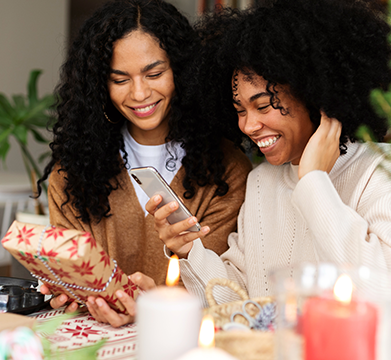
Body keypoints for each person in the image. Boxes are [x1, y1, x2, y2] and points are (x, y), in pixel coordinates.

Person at [147, 0, 391, 306]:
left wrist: (314, 182)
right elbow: (240, 298)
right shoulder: (263, 180)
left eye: (263, 106)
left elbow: (381, 292)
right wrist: (189, 250)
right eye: (239, 110)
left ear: (315, 94)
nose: (248, 125)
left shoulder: (381, 171)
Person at [37, 0, 252, 325]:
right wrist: (67, 291)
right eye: (120, 79)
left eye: (154, 73)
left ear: (181, 70)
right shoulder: (72, 176)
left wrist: (153, 302)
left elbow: (222, 289)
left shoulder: (226, 171)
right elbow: (74, 278)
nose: (139, 94)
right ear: (100, 84)